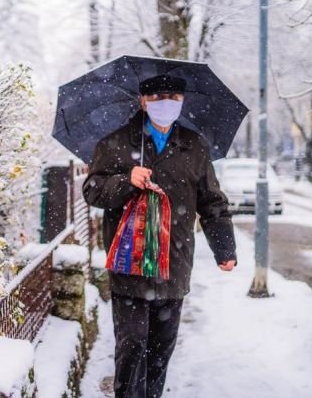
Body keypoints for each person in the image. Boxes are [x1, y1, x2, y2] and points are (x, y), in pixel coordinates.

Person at [82, 74, 237, 398]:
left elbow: (212, 202)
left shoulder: (194, 146)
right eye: (158, 98)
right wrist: (126, 180)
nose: (166, 103)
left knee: (160, 352)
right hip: (130, 263)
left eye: (174, 97)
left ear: (181, 102)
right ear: (143, 101)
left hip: (174, 263)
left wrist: (224, 248)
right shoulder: (116, 143)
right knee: (132, 347)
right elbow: (92, 191)